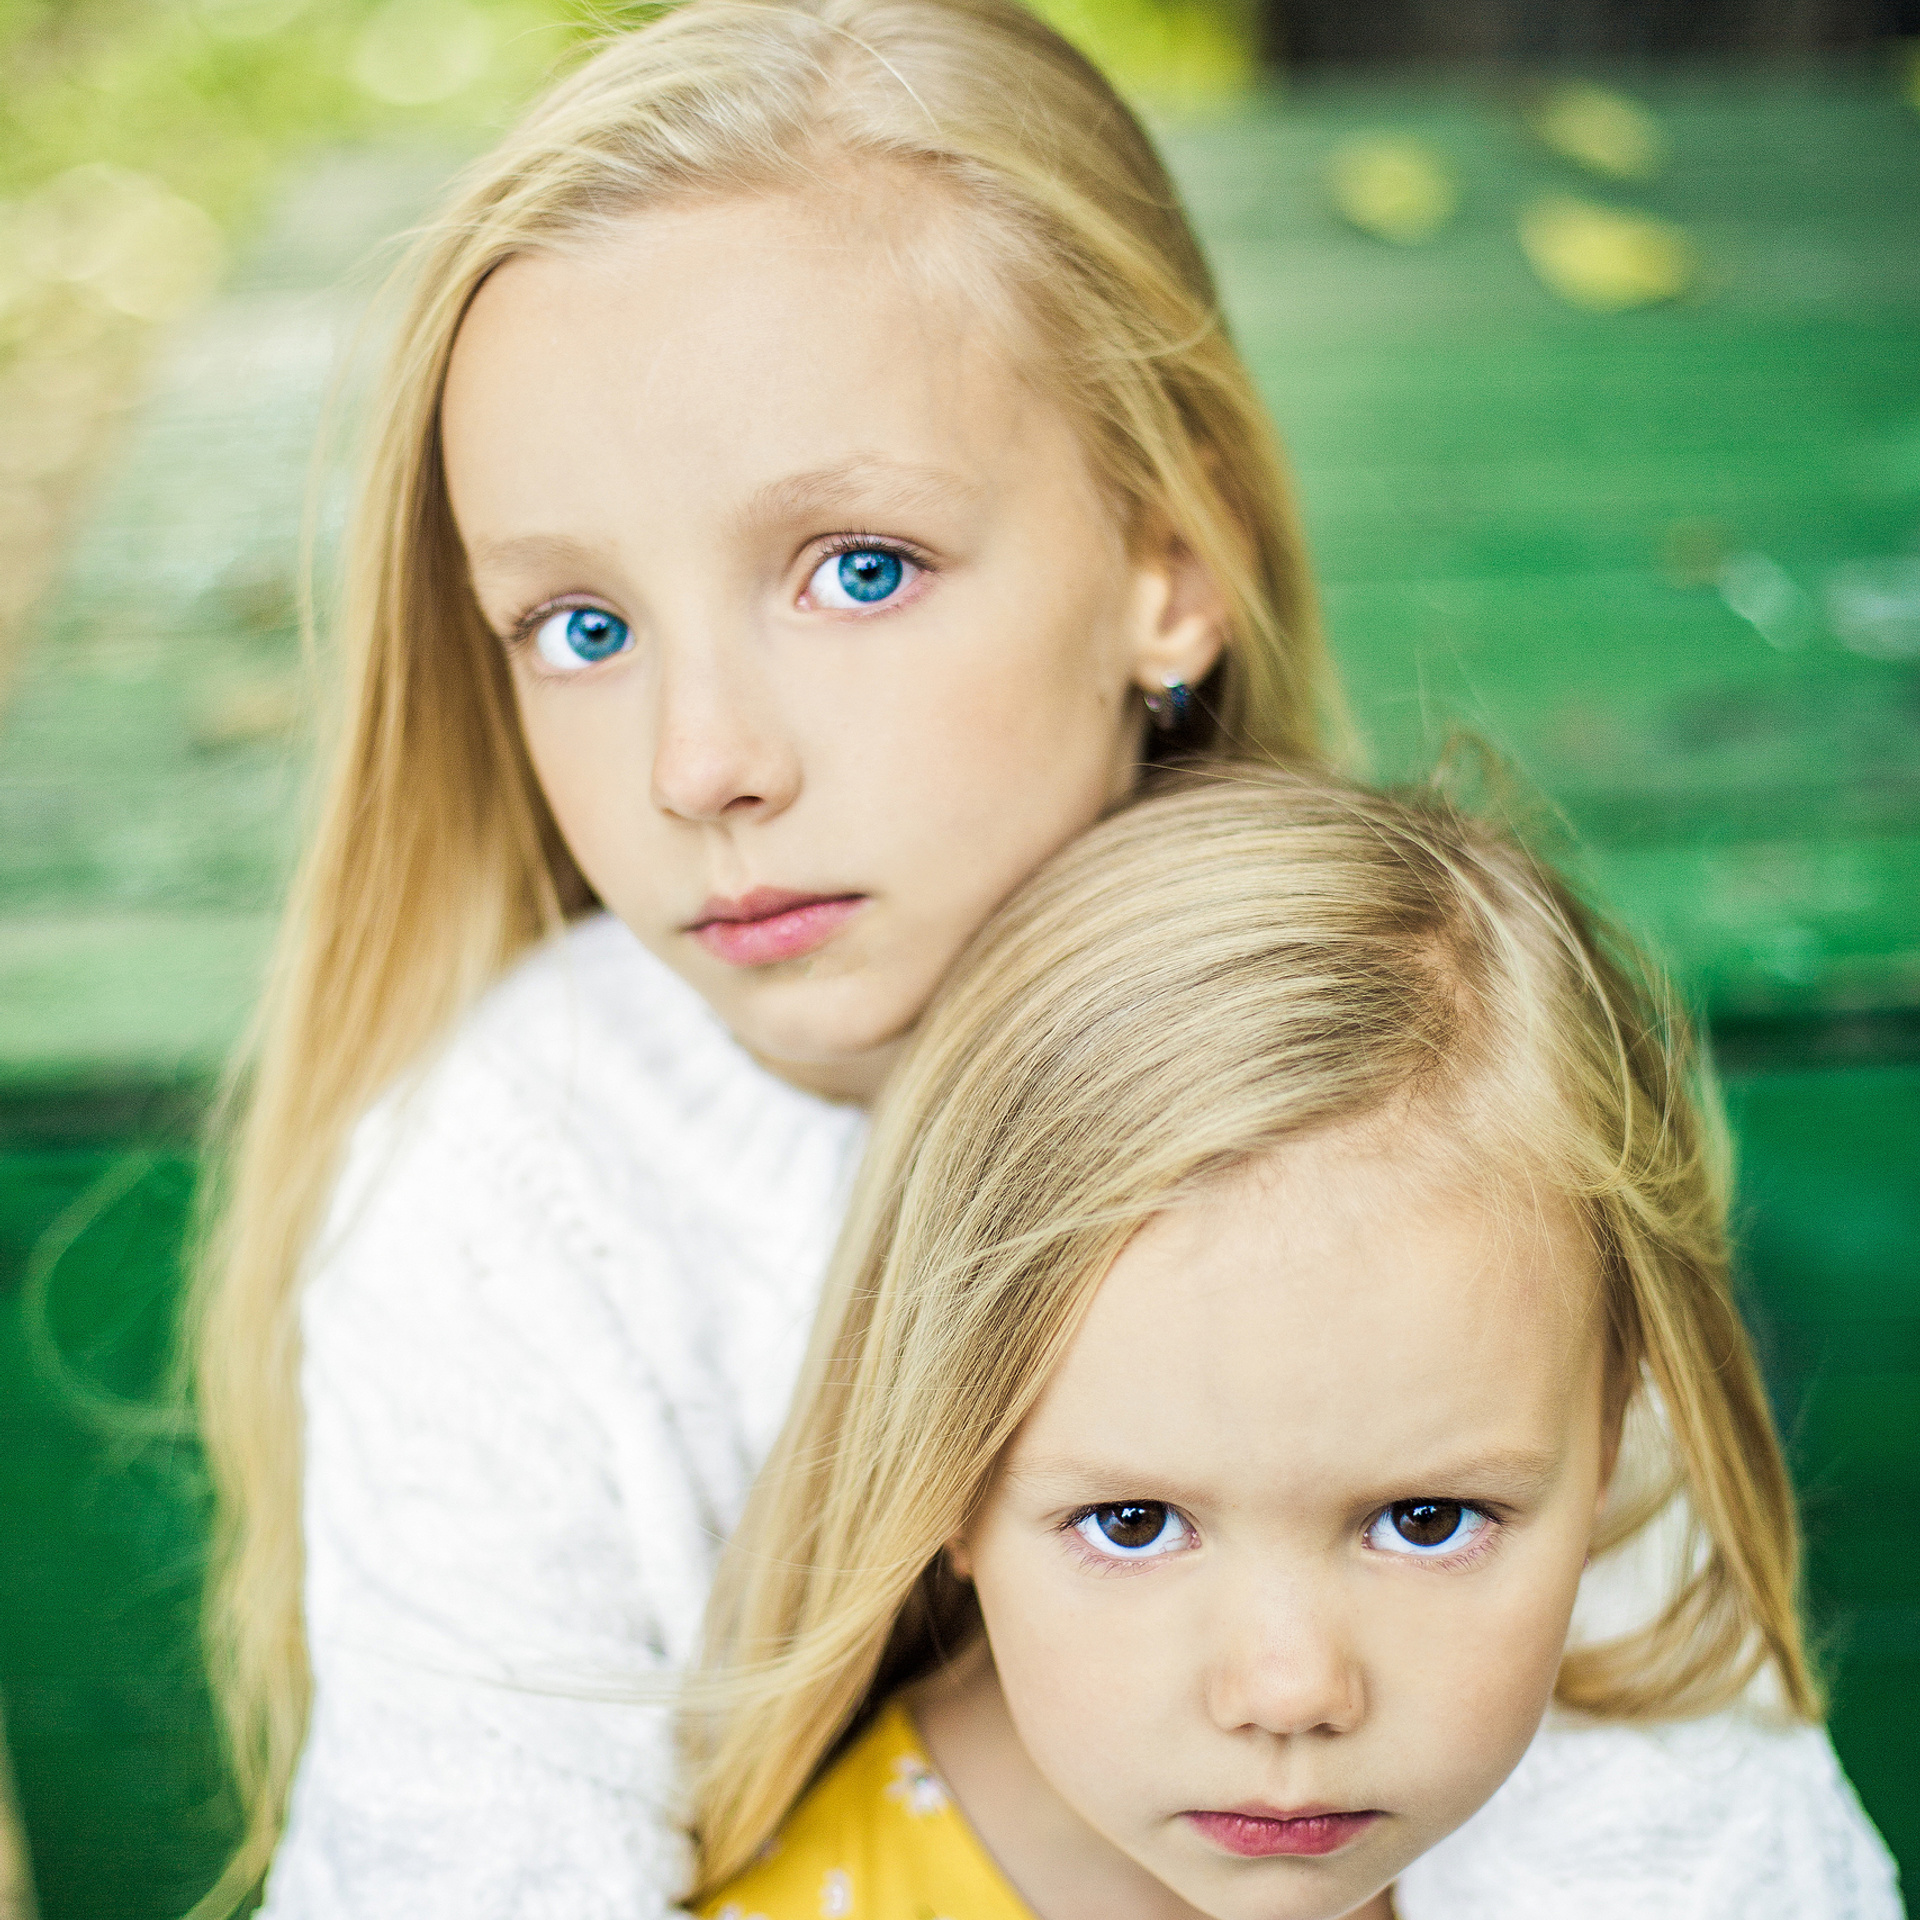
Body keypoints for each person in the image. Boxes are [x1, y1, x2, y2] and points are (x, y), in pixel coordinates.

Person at [178, 2, 1890, 1915]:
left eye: (858, 569)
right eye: (579, 625)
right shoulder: (509, 1197)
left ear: (1166, 569)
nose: (701, 763)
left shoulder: (1427, 1081)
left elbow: (1686, 1844)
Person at [686, 768, 1900, 1920]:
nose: (1290, 1692)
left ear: (1609, 1425)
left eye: (1426, 1520)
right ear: (941, 1463)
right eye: (1134, 1523)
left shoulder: (1669, 1847)